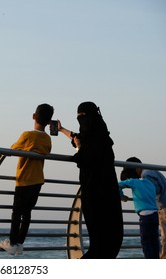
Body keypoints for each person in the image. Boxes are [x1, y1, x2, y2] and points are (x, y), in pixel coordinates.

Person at [58, 101, 123, 258]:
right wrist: (61, 130)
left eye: (82, 117)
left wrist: (79, 147)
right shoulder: (102, 137)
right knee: (110, 241)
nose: (80, 120)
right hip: (109, 195)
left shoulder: (93, 142)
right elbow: (77, 138)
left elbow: (82, 158)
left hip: (95, 196)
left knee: (99, 243)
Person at [0, 103, 54, 255]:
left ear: (34, 116)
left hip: (24, 179)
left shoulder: (27, 135)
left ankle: (12, 242)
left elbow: (14, 148)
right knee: (27, 213)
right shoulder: (47, 139)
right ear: (49, 122)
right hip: (38, 180)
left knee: (16, 213)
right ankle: (20, 243)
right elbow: (47, 151)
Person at [124, 157, 166, 259]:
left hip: (163, 208)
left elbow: (151, 191)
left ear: (137, 168)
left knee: (161, 240)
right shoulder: (151, 170)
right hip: (162, 207)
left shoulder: (146, 175)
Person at [119, 168, 160, 259]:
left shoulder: (133, 182)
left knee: (146, 242)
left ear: (128, 178)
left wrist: (121, 196)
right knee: (154, 241)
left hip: (145, 216)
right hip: (155, 215)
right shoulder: (149, 183)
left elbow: (117, 185)